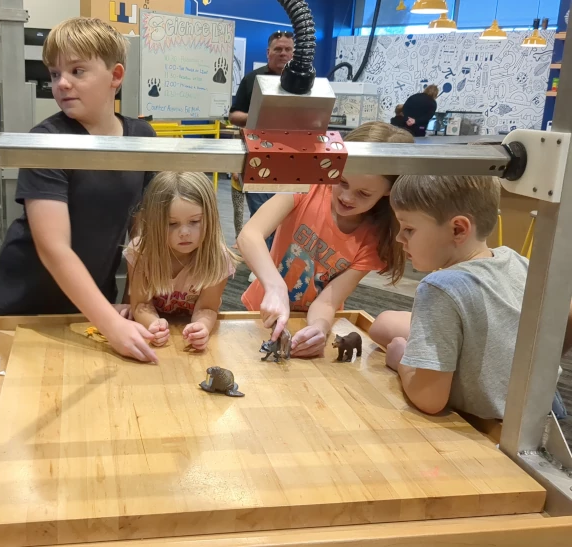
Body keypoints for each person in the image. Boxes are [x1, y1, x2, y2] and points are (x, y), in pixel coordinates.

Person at [0, 16, 161, 363]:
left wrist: (135, 301)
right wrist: (111, 324)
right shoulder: (47, 140)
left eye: (77, 71)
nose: (62, 83)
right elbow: (53, 247)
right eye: (54, 74)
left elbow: (142, 231)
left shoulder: (141, 137)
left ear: (115, 76)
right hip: (26, 307)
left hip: (91, 306)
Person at [368, 174, 569, 438]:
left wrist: (402, 362)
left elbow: (430, 399)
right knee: (383, 323)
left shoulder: (440, 286)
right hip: (546, 411)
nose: (399, 239)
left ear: (458, 229)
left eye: (409, 229)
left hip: (494, 431)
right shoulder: (519, 261)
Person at [236, 121, 413, 358]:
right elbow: (249, 235)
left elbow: (328, 302)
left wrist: (318, 328)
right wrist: (275, 286)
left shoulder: (373, 240)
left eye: (363, 193)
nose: (347, 197)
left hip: (310, 319)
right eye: (342, 182)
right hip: (261, 310)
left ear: (388, 191)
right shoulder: (308, 185)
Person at [123, 171, 240, 352]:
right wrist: (153, 324)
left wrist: (202, 327)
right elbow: (141, 304)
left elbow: (207, 308)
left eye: (195, 221)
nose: (184, 232)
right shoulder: (139, 253)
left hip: (187, 336)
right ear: (154, 223)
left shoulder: (218, 259)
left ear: (210, 218)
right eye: (172, 224)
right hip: (159, 342)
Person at [228, 30, 296, 249]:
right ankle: (263, 264)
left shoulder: (305, 83)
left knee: (290, 213)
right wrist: (260, 116)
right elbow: (234, 115)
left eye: (288, 49)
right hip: (259, 157)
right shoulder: (252, 79)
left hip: (295, 159)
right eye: (278, 49)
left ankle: (280, 260)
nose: (283, 54)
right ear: (268, 53)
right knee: (262, 212)